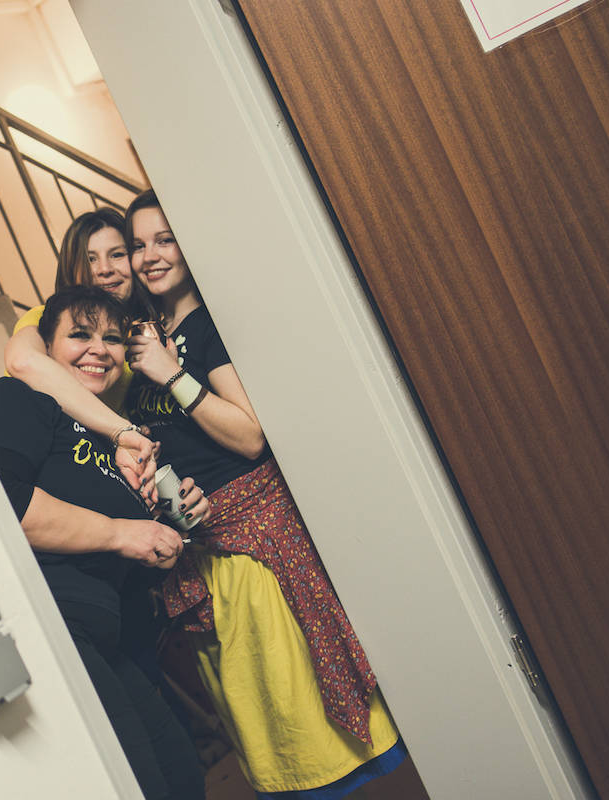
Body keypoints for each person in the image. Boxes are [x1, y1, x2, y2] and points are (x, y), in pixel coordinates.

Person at [122, 190, 407, 799]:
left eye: (164, 240)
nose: (150, 256)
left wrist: (171, 375)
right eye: (138, 245)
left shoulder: (206, 328)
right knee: (267, 725)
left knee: (304, 716)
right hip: (199, 552)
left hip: (252, 546)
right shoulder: (148, 336)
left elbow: (250, 435)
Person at [0, 286, 207, 800]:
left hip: (105, 637)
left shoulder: (109, 442)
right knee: (142, 784)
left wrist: (168, 531)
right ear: (46, 348)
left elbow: (130, 567)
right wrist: (123, 532)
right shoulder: (15, 399)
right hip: (50, 626)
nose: (99, 349)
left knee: (182, 774)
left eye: (113, 339)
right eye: (80, 335)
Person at [4, 208, 159, 496]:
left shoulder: (135, 339)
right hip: (30, 463)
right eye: (90, 259)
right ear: (71, 269)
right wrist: (124, 430)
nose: (104, 269)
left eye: (117, 254)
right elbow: (22, 361)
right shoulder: (45, 318)